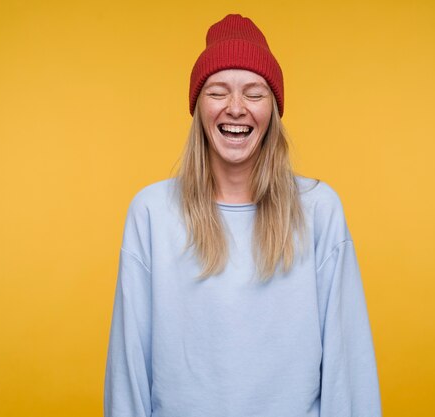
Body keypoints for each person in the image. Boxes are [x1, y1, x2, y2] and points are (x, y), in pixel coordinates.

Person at [104, 14, 381, 417]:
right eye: (218, 91)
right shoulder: (152, 214)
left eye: (254, 93)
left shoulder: (319, 210)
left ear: (274, 109)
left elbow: (349, 370)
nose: (236, 109)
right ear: (197, 106)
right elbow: (127, 374)